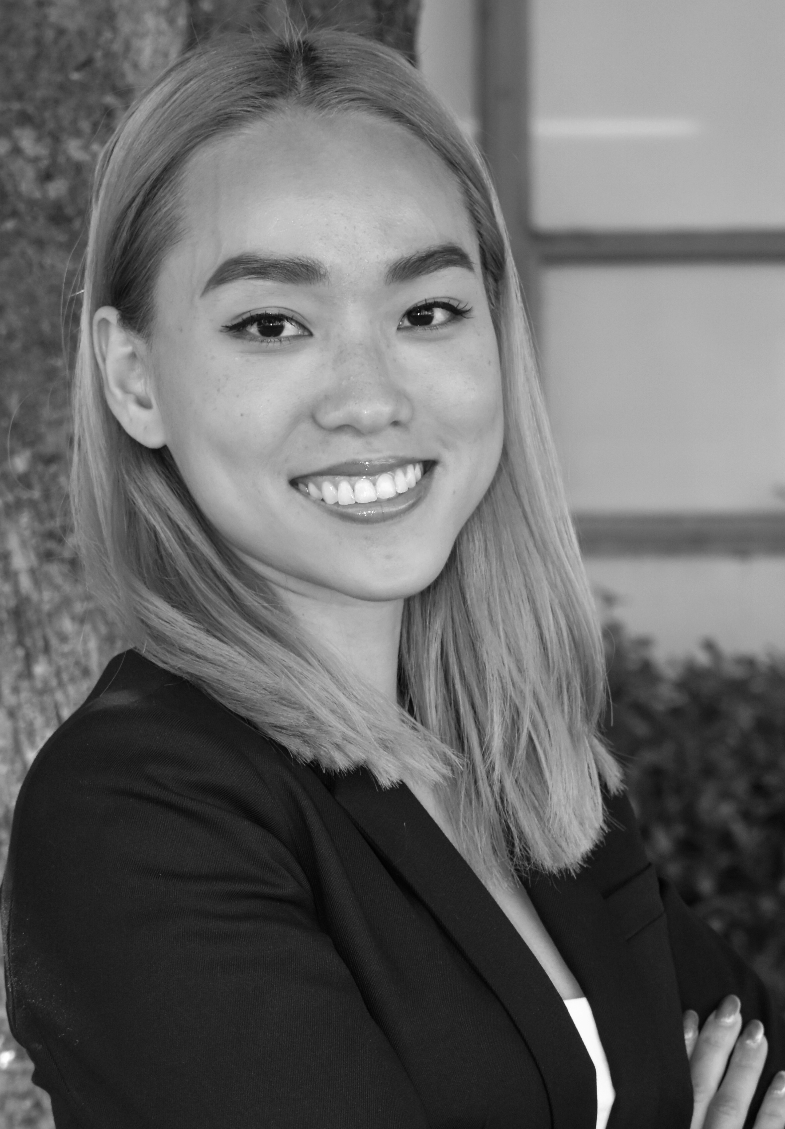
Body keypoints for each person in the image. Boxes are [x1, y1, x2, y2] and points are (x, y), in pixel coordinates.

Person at [1, 28, 783, 1129]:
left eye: (426, 312)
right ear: (134, 378)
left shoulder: (525, 766)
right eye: (271, 323)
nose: (369, 399)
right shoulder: (135, 811)